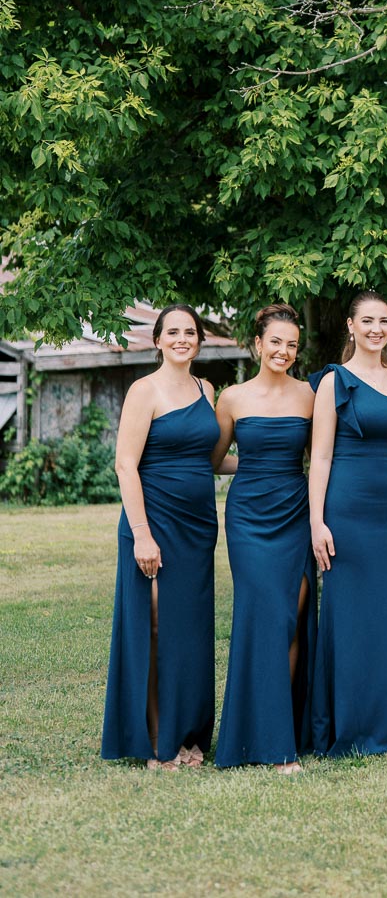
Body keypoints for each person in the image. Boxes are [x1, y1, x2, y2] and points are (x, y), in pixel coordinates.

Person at [101, 304, 219, 769]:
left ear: (199, 341)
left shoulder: (206, 390)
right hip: (153, 522)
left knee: (190, 634)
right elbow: (125, 464)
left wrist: (272, 462)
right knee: (154, 627)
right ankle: (156, 741)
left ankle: (188, 735)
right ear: (157, 340)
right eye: (173, 332)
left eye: (190, 332)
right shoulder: (143, 390)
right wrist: (141, 535)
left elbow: (209, 458)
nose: (182, 339)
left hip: (198, 528)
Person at [307, 291, 387, 756]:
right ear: (350, 326)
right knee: (349, 616)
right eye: (367, 320)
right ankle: (349, 725)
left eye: (384, 321)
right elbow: (320, 457)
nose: (377, 329)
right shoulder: (334, 381)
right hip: (347, 508)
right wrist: (317, 521)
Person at [213, 304, 317, 771]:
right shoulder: (232, 398)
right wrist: (254, 465)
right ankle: (268, 744)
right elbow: (215, 460)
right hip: (249, 519)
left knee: (291, 618)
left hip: (295, 513)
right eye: (275, 342)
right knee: (264, 619)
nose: (283, 351)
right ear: (257, 344)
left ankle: (280, 731)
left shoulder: (309, 395)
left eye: (291, 345)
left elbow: (322, 457)